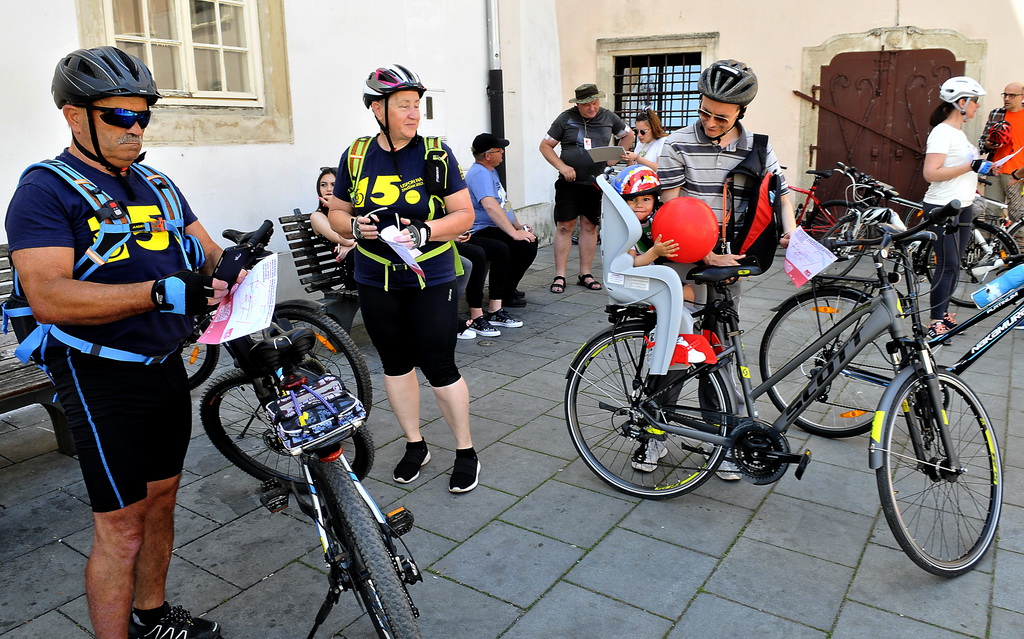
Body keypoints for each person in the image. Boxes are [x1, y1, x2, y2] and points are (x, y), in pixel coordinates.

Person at [3, 47, 231, 639]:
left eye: (142, 117)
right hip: (98, 375)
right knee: (121, 526)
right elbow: (51, 295)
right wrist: (159, 293)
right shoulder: (45, 191)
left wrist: (232, 267)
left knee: (162, 503)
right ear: (74, 117)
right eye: (118, 118)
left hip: (165, 367)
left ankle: (152, 617)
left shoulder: (158, 183)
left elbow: (205, 250)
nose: (135, 130)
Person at [327, 64, 480, 493]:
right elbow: (336, 212)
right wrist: (354, 229)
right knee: (394, 364)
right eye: (404, 106)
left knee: (439, 364)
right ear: (378, 109)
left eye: (417, 105)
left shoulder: (435, 153)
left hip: (431, 276)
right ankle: (416, 444)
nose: (414, 114)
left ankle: (465, 450)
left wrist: (426, 231)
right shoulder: (357, 155)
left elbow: (464, 214)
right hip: (375, 277)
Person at [657, 59, 797, 480]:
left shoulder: (757, 147)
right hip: (684, 259)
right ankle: (653, 434)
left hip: (730, 263)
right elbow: (671, 207)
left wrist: (791, 231)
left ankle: (721, 444)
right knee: (677, 350)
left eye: (721, 116)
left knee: (719, 352)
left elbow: (780, 195)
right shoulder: (678, 144)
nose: (710, 122)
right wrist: (704, 254)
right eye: (704, 112)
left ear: (740, 113)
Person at [540, 83, 634, 294]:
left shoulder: (609, 117)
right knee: (565, 226)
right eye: (587, 105)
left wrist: (614, 158)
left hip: (595, 182)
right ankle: (560, 275)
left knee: (590, 226)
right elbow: (545, 146)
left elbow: (628, 135)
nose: (592, 108)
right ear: (578, 105)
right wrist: (562, 166)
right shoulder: (566, 118)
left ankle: (585, 273)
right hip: (569, 183)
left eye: (595, 103)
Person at [922, 76, 995, 338]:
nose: (977, 107)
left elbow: (963, 168)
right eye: (975, 102)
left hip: (962, 205)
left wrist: (983, 169)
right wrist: (971, 166)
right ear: (962, 102)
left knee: (955, 265)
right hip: (944, 207)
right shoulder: (942, 132)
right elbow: (931, 173)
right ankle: (934, 322)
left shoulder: (959, 133)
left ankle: (942, 314)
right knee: (947, 264)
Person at [464, 132, 537, 328]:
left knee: (528, 241)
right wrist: (514, 234)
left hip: (492, 227)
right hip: (479, 230)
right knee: (510, 246)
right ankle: (503, 294)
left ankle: (507, 290)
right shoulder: (479, 173)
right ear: (488, 155)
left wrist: (518, 226)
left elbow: (504, 203)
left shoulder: (491, 171)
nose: (502, 152)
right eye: (499, 149)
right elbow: (490, 206)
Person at [980, 83, 1024, 226]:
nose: (1007, 98)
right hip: (995, 170)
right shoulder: (996, 114)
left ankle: (1018, 246)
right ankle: (989, 245)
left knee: (1018, 215)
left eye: (1012, 95)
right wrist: (989, 144)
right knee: (991, 212)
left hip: (1018, 174)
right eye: (1005, 95)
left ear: (1022, 97)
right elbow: (982, 142)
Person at [310, 166, 355, 262]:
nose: (328, 189)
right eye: (323, 185)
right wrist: (334, 208)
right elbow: (347, 240)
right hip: (349, 264)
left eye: (334, 184)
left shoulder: (353, 209)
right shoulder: (317, 216)